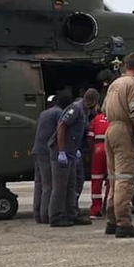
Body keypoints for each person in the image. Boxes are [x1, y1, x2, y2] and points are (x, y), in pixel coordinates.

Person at [102, 53, 134, 238]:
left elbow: (104, 108)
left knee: (113, 176)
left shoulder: (114, 84)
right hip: (123, 129)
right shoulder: (133, 84)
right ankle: (124, 222)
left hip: (110, 128)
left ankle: (111, 219)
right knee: (125, 177)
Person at [48, 89, 99, 227]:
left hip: (71, 152)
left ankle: (71, 214)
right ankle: (56, 216)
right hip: (61, 151)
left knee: (71, 185)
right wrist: (62, 151)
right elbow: (61, 126)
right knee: (60, 186)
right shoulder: (75, 109)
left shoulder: (83, 111)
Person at [33, 93, 71, 223]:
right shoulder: (59, 113)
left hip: (37, 150)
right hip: (47, 151)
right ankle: (45, 216)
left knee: (39, 184)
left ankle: (37, 213)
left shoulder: (44, 113)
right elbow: (61, 131)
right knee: (50, 185)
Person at [87, 111, 111, 218]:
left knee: (96, 179)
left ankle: (96, 209)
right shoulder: (115, 116)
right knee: (112, 179)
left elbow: (90, 138)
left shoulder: (96, 119)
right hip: (112, 147)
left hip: (98, 147)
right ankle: (109, 206)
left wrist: (91, 154)